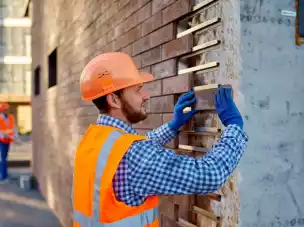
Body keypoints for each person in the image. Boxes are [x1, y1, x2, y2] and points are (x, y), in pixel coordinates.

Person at [73, 52, 248, 226]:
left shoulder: (93, 142)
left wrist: (173, 126)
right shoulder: (135, 155)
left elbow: (133, 150)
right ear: (114, 99)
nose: (146, 95)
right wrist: (234, 127)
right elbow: (209, 176)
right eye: (138, 89)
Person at [0, 102, 19, 180]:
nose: (7, 110)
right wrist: (3, 135)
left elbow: (14, 129)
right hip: (1, 140)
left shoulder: (11, 117)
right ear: (1, 110)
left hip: (8, 140)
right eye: (5, 109)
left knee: (4, 156)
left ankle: (1, 171)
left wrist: (16, 138)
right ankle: (4, 175)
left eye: (7, 109)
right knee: (3, 157)